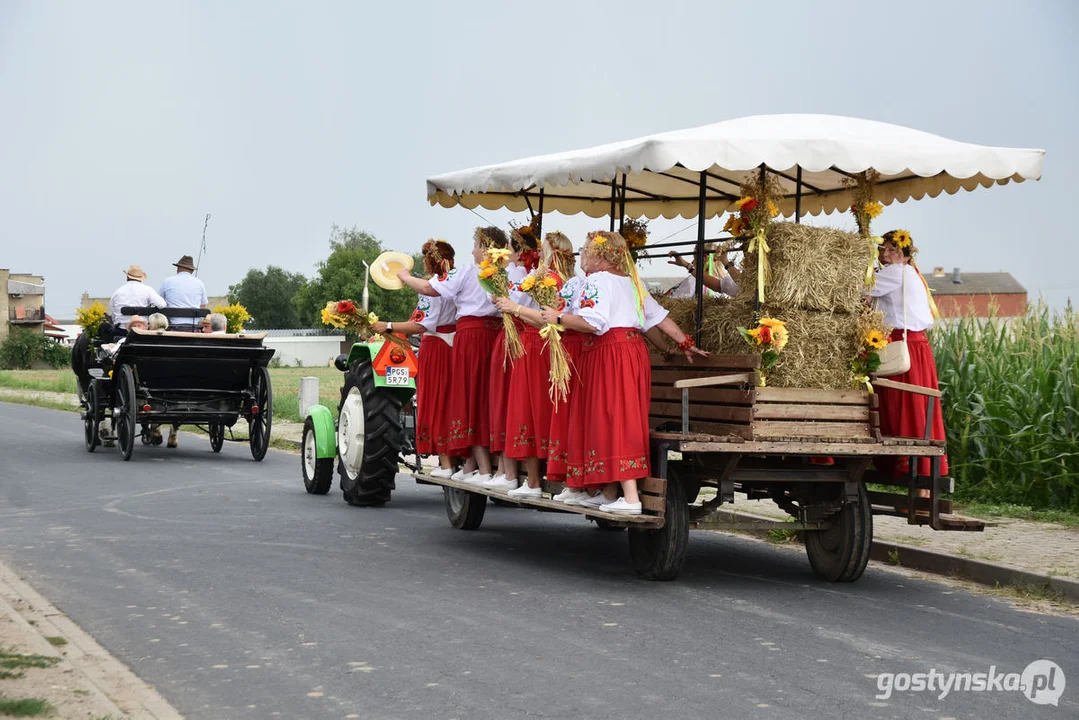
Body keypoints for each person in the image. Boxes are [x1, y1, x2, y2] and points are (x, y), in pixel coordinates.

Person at [537, 231, 706, 514]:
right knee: (618, 416)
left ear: (601, 257)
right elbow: (657, 316)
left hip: (610, 352)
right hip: (629, 351)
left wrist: (558, 318)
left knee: (614, 417)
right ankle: (610, 490)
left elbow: (594, 322)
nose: (583, 256)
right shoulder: (631, 282)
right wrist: (684, 342)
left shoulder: (599, 280)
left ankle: (630, 498)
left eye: (587, 251)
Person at [396, 227, 509, 485]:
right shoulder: (505, 274)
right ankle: (473, 463)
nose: (472, 251)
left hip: (471, 336)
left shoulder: (469, 272)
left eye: (476, 245)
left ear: (485, 247)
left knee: (468, 398)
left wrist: (404, 276)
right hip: (496, 335)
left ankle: (478, 466)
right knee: (485, 398)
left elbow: (428, 287)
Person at [869, 229, 948, 486]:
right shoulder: (912, 273)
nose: (886, 254)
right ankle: (921, 476)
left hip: (902, 346)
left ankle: (912, 472)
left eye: (892, 250)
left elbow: (860, 290)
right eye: (883, 249)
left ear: (904, 255)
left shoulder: (894, 272)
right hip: (916, 345)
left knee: (902, 403)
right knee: (916, 405)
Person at [372, 240, 458, 477]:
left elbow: (421, 324)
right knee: (452, 402)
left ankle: (446, 463)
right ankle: (452, 459)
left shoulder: (432, 286)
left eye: (424, 258)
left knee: (437, 401)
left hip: (437, 347)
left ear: (431, 261)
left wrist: (386, 326)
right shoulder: (455, 282)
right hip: (454, 343)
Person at [482, 224, 539, 492]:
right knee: (509, 403)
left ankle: (508, 472)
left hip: (515, 335)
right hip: (521, 334)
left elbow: (504, 302)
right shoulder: (531, 274)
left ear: (517, 253)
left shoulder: (517, 274)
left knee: (506, 402)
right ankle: (507, 470)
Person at [666, 242, 740, 298]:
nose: (692, 262)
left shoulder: (693, 281)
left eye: (694, 258)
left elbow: (672, 298)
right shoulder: (729, 280)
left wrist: (687, 265)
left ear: (703, 258)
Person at [109, 265, 166, 329]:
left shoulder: (117, 292)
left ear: (127, 276)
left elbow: (113, 314)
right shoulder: (147, 290)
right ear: (141, 278)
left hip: (121, 329)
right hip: (141, 329)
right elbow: (162, 305)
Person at [159, 255, 208, 329]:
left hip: (172, 326)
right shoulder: (199, 283)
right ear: (192, 270)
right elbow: (203, 306)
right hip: (194, 327)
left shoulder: (167, 281)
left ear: (178, 268)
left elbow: (160, 302)